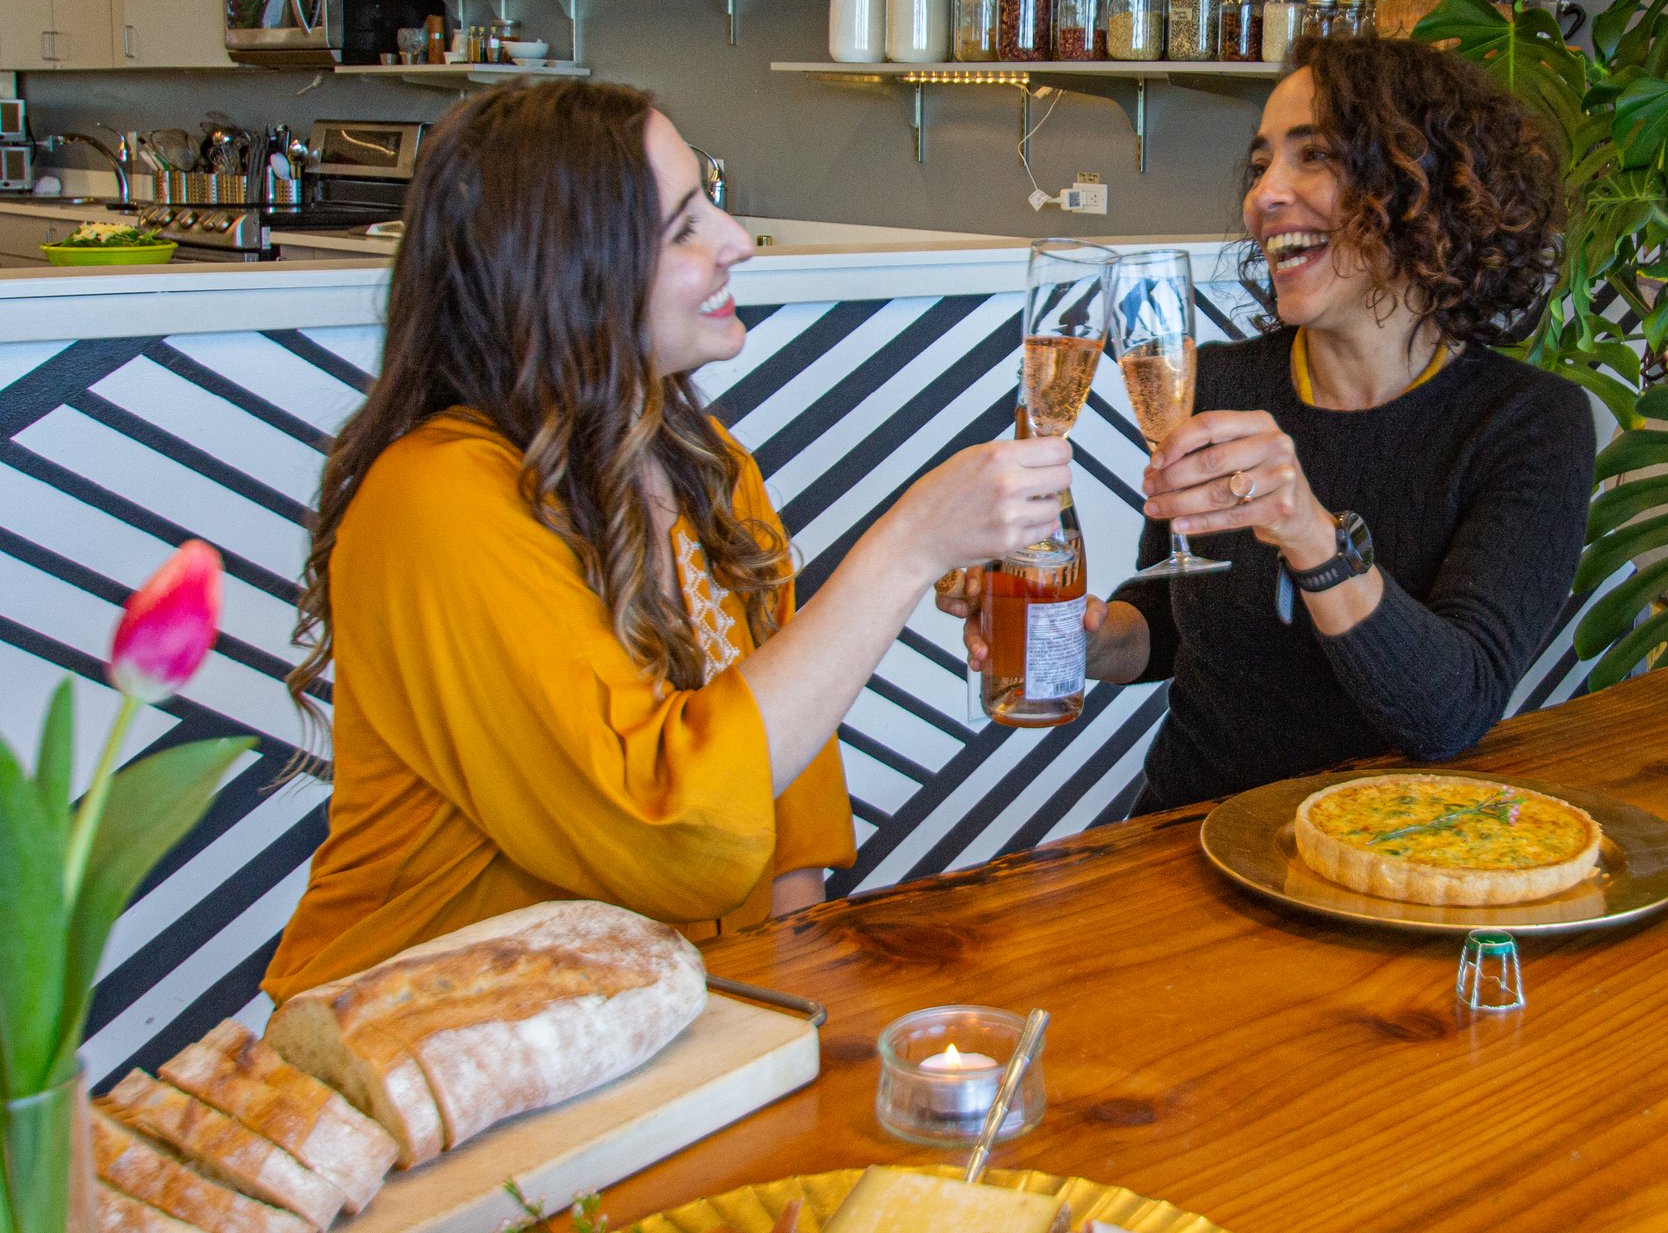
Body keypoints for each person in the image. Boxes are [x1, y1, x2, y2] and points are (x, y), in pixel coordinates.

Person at [264, 82, 1071, 1000]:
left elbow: (788, 790)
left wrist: (790, 999)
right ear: (569, 268)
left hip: (663, 1026)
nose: (736, 240)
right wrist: (908, 547)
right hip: (425, 1053)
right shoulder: (437, 500)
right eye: (685, 225)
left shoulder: (707, 462)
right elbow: (666, 829)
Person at [960, 36, 1597, 813]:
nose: (1263, 195)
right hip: (1184, 838)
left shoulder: (1527, 425)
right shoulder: (1223, 381)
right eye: (1262, 164)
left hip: (1382, 863)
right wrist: (1085, 639)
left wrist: (1309, 530)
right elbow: (1174, 619)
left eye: (1314, 156)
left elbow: (1450, 712)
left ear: (1419, 188)